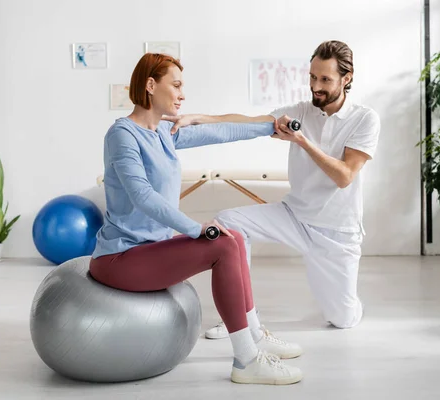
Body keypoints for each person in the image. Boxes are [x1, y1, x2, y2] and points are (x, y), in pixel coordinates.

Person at [89, 52, 303, 385]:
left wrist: (269, 128)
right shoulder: (122, 135)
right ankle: (247, 361)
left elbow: (220, 133)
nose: (182, 93)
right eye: (175, 85)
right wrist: (196, 227)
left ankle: (255, 336)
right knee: (224, 247)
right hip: (120, 258)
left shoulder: (164, 132)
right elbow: (142, 196)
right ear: (150, 85)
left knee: (232, 237)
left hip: (149, 249)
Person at [164, 40, 381, 339]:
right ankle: (237, 316)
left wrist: (302, 141)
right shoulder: (300, 111)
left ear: (347, 79)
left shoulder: (365, 119)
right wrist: (199, 118)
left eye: (325, 80)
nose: (315, 86)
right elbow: (249, 121)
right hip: (294, 216)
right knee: (230, 221)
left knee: (341, 319)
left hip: (336, 232)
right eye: (312, 77)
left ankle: (351, 305)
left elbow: (344, 176)